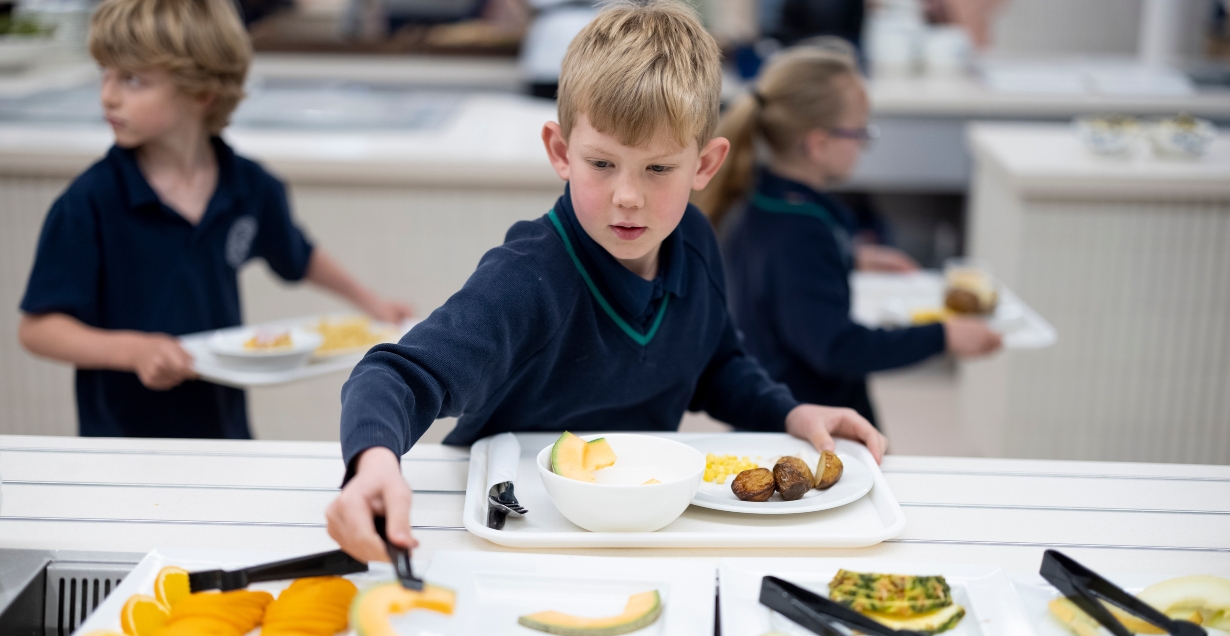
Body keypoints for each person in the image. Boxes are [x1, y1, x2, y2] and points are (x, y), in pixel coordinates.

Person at [325, 0, 888, 562]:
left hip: (640, 529)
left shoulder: (693, 238)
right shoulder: (529, 275)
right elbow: (394, 375)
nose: (628, 196)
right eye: (602, 164)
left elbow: (717, 366)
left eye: (658, 169)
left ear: (705, 166)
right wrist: (374, 464)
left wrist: (791, 413)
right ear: (561, 152)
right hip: (510, 536)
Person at [18, 0, 412, 440]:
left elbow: (299, 256)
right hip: (121, 442)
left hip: (224, 432)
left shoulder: (249, 186)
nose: (107, 95)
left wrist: (371, 302)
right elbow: (38, 329)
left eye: (131, 79)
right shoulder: (88, 202)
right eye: (104, 74)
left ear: (202, 92)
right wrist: (132, 351)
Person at [694, 45, 1001, 427]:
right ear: (818, 144)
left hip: (778, 409)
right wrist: (944, 337)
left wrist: (851, 257)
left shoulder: (764, 201)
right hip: (809, 427)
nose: (863, 143)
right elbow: (837, 347)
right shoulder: (799, 233)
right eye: (859, 131)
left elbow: (783, 283)